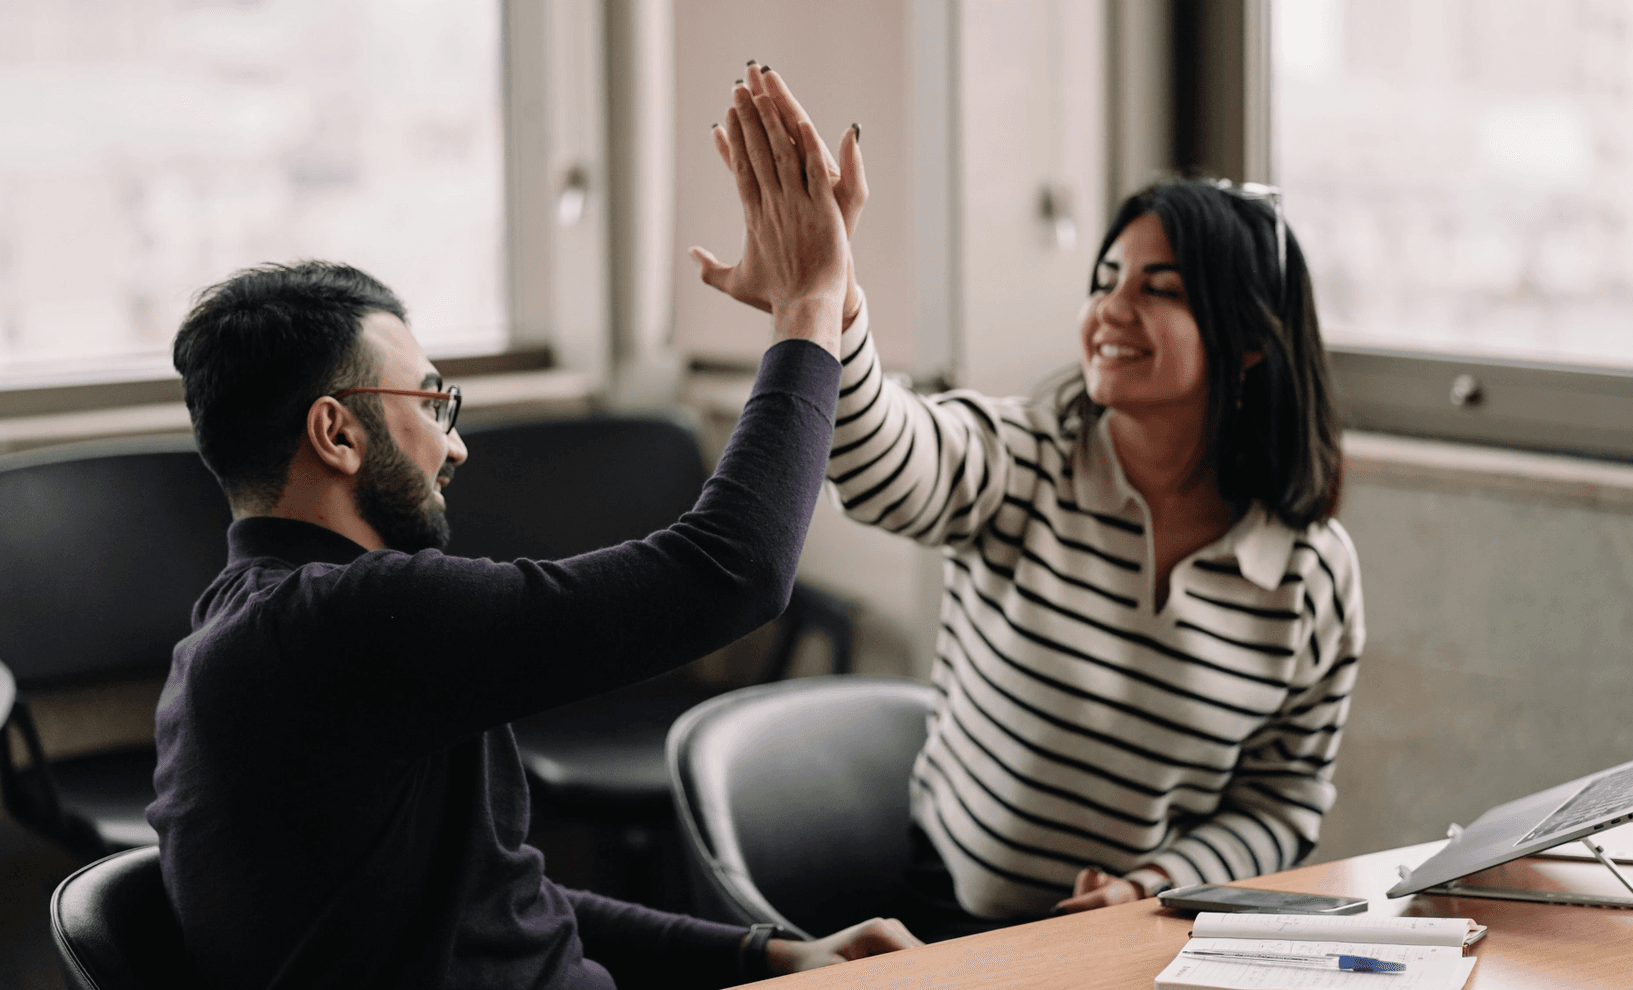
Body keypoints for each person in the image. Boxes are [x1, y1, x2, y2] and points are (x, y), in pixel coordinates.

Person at [148, 77, 920, 989]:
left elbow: (492, 895)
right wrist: (811, 304)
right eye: (433, 402)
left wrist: (775, 953)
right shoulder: (345, 620)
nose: (456, 445)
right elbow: (733, 569)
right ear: (337, 433)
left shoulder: (249, 625)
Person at [695, 68, 1365, 939]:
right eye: (1106, 279)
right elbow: (877, 456)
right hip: (953, 920)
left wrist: (1157, 885)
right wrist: (832, 303)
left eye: (1158, 289)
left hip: (1145, 931)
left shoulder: (1312, 577)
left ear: (1250, 346)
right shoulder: (1027, 457)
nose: (1109, 311)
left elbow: (1283, 803)